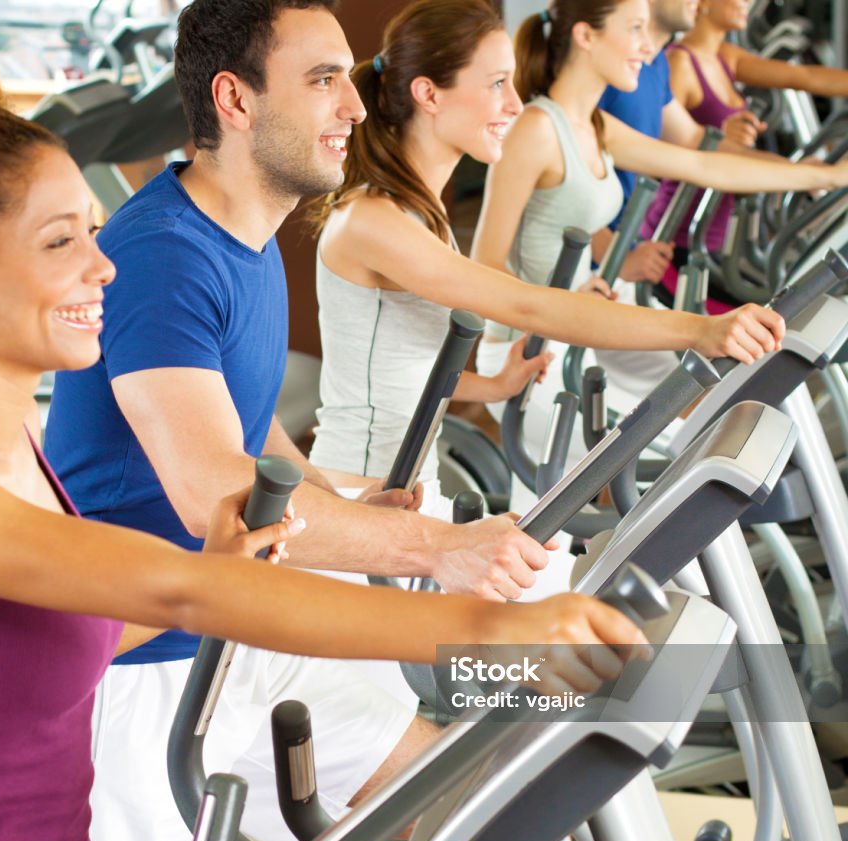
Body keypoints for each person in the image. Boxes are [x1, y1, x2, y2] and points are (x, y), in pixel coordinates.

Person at [0, 27, 645, 841]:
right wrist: (496, 631)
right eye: (59, 243)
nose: (104, 266)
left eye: (91, 229)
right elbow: (172, 588)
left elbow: (70, 636)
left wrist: (226, 562)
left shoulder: (19, 450)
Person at [306, 0, 782, 522]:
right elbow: (527, 307)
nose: (514, 104)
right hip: (357, 498)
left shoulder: (420, 212)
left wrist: (491, 387)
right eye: (496, 84)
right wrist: (699, 330)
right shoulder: (374, 219)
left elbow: (392, 367)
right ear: (429, 94)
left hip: (409, 487)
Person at [470, 0, 848, 438]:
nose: (649, 46)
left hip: (579, 335)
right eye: (634, 29)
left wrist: (825, 175)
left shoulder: (596, 126)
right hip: (529, 357)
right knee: (695, 448)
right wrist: (569, 294)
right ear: (585, 36)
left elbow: (706, 166)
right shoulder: (534, 130)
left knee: (721, 418)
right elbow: (484, 270)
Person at [642, 0, 848, 301]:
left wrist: (805, 170)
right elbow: (674, 151)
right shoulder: (679, 64)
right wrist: (816, 174)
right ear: (702, 4)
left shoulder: (724, 56)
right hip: (677, 243)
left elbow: (803, 78)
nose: (747, 4)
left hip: (712, 241)